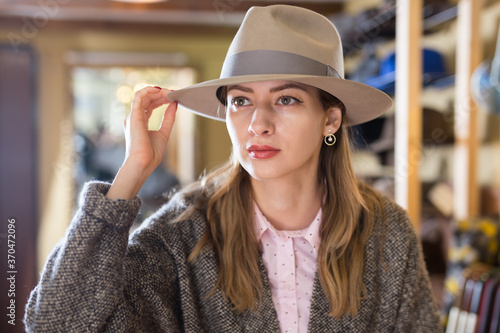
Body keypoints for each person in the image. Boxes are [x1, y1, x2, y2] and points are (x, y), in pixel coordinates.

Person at [24, 5, 441, 332]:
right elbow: (56, 323)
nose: (257, 122)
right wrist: (131, 173)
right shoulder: (184, 233)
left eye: (286, 99)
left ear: (330, 120)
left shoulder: (386, 233)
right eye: (240, 100)